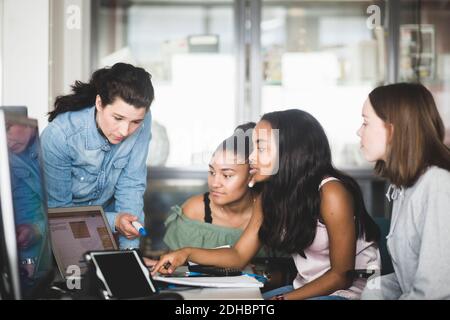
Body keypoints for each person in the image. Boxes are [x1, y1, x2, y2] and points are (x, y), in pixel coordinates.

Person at [151, 109, 381, 300]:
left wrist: (284, 299)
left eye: (260, 148)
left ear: (288, 152)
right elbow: (239, 255)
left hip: (347, 293)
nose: (251, 158)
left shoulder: (331, 191)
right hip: (303, 288)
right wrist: (185, 253)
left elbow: (341, 275)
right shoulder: (269, 193)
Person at [41, 62, 154, 249]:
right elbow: (59, 214)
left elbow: (131, 186)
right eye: (118, 118)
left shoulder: (142, 121)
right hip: (56, 238)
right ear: (99, 103)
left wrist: (130, 257)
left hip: (105, 236)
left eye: (135, 121)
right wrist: (115, 221)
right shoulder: (60, 136)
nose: (125, 130)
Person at [358, 83, 450, 300]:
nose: (359, 131)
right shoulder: (405, 186)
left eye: (365, 123)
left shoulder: (438, 185)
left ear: (393, 129)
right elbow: (406, 279)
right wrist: (373, 290)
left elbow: (434, 292)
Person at [163, 123, 266, 257]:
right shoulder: (194, 211)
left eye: (227, 175)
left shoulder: (268, 210)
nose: (215, 183)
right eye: (212, 172)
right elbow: (171, 267)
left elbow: (290, 271)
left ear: (251, 176)